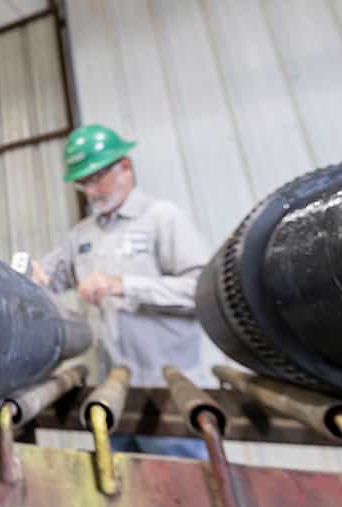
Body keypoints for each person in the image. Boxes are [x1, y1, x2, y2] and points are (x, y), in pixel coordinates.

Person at [32, 124, 210, 458]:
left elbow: (200, 293)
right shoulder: (81, 236)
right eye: (83, 182)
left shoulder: (163, 219)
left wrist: (122, 285)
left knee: (182, 500)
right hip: (112, 397)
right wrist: (32, 276)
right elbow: (47, 278)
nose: (91, 191)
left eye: (97, 177)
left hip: (170, 397)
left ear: (125, 166)